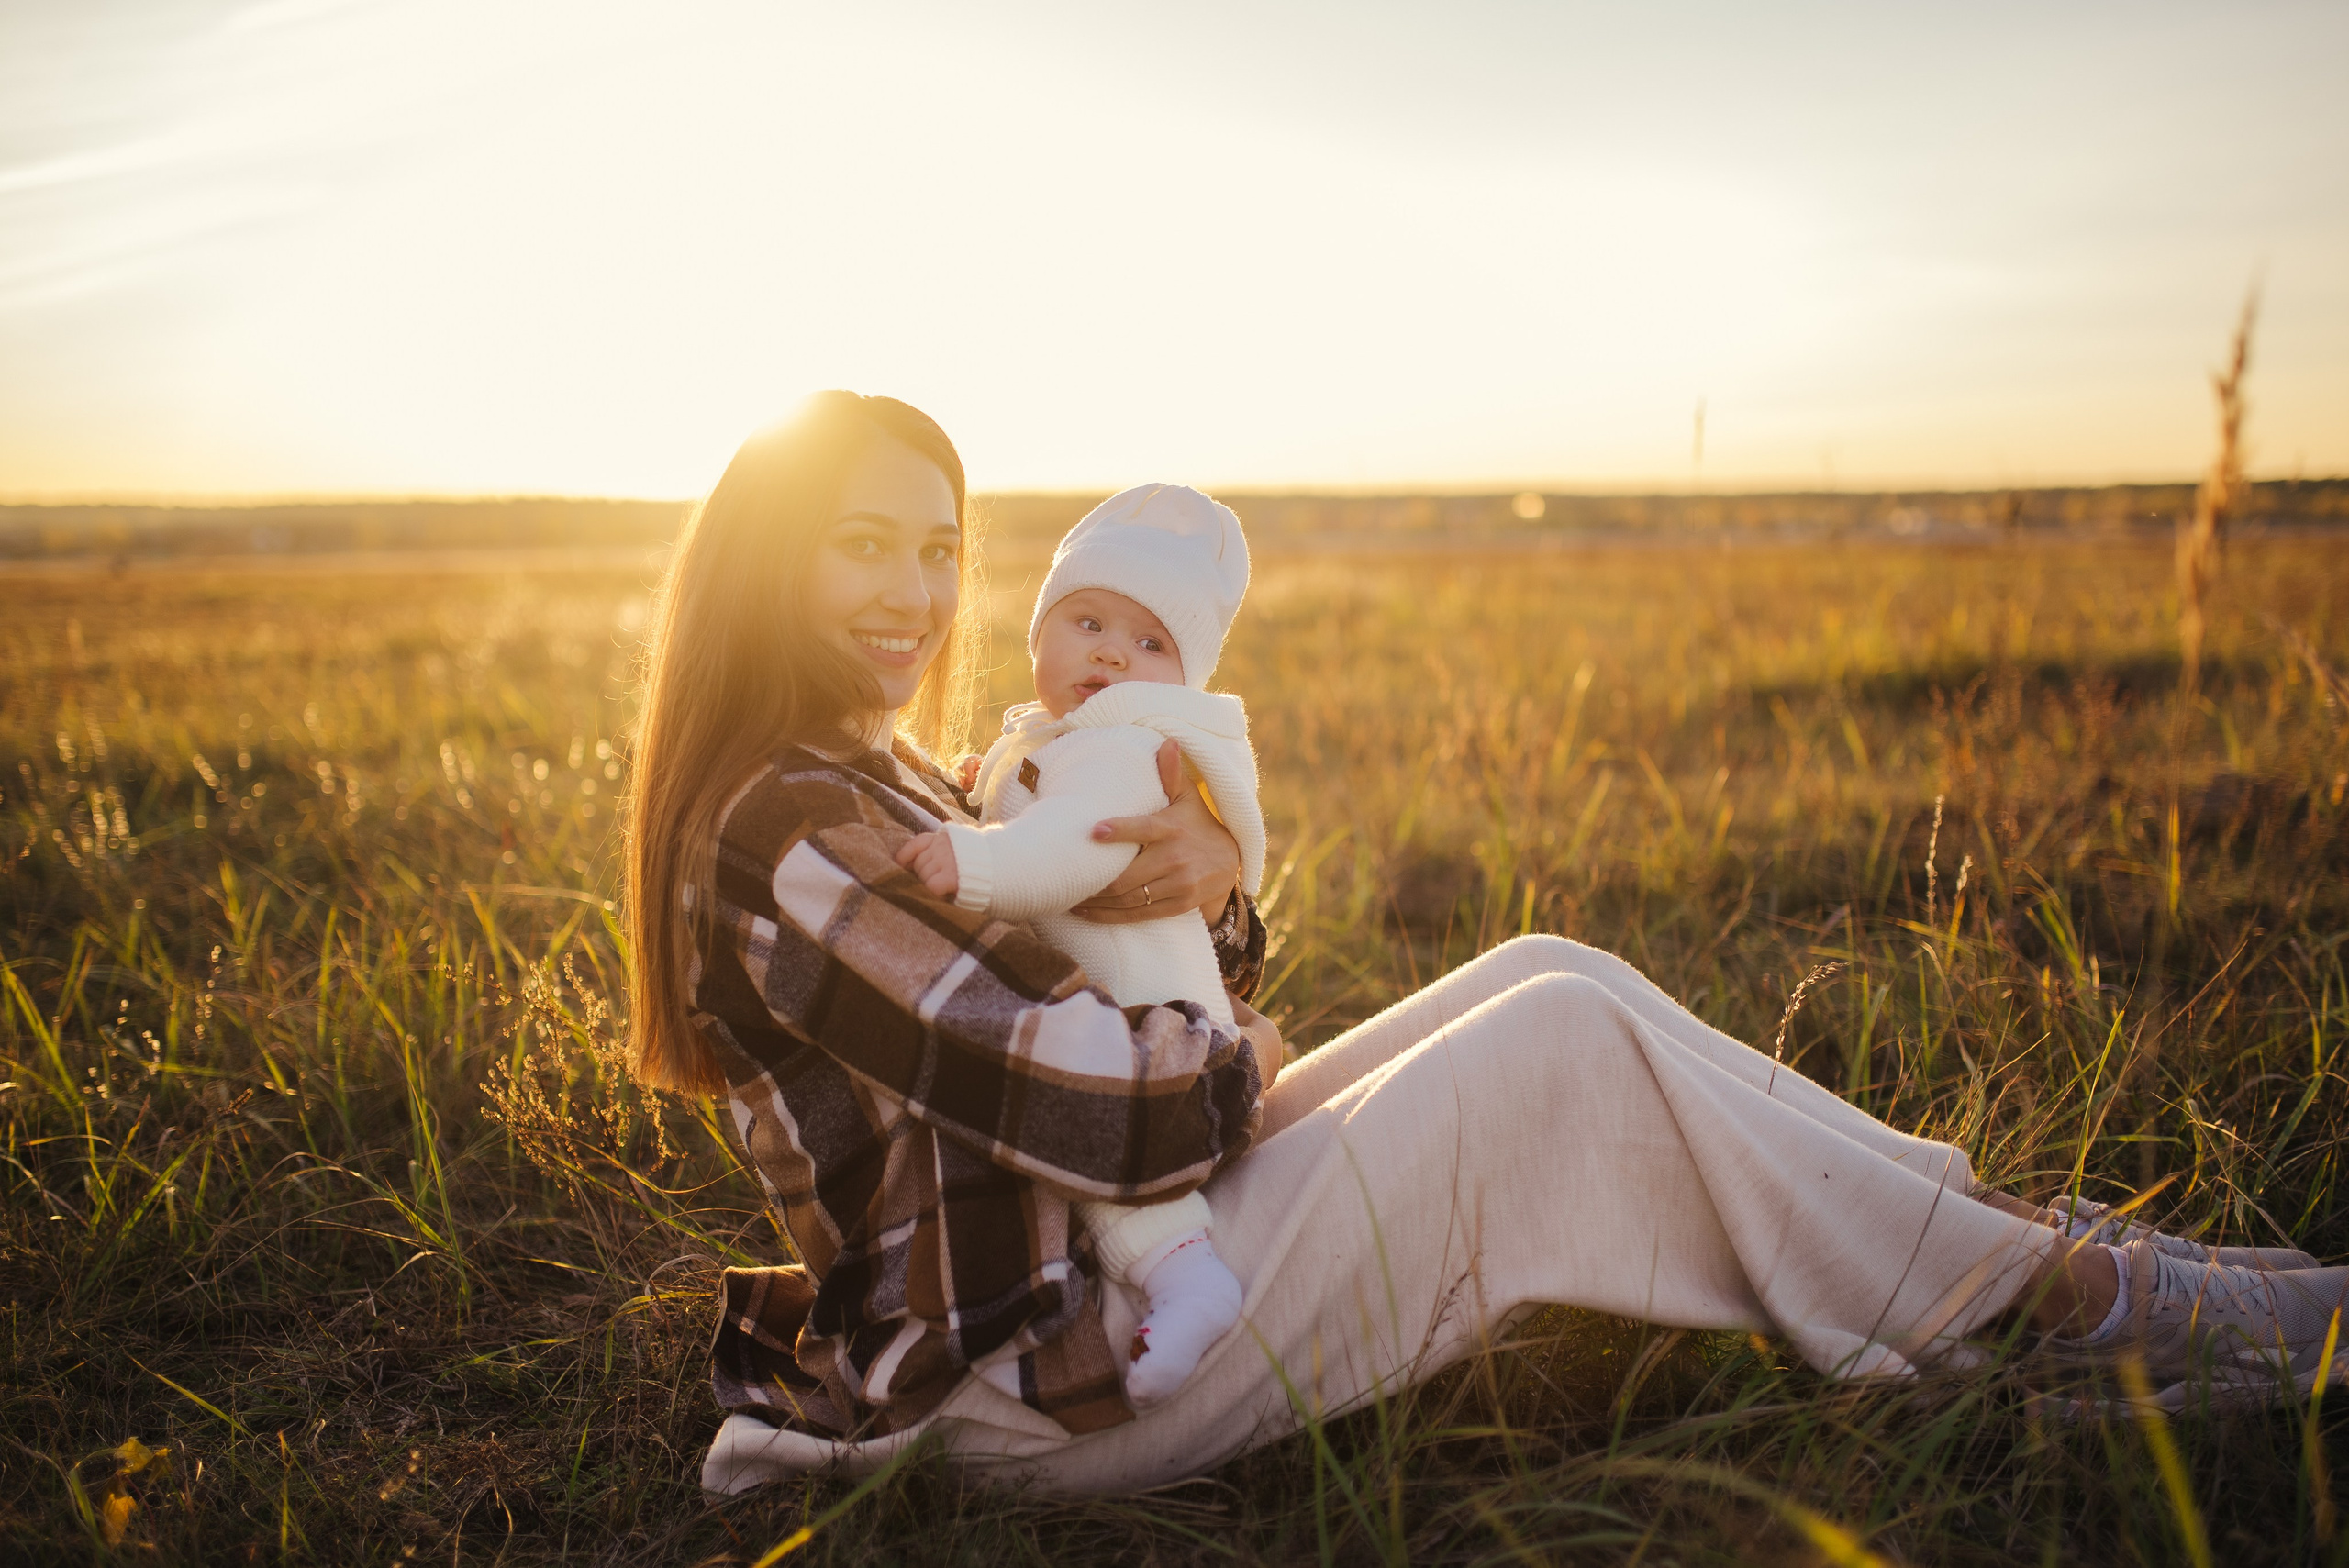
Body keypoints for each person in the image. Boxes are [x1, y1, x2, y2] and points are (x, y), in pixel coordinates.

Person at [623, 393, 2341, 1501]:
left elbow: (1122, 942)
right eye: (862, 542)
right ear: (766, 559)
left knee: (1545, 972)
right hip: (1039, 1366)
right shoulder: (790, 828)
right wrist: (1243, 1057)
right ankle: (2069, 1303)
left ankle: (2015, 1241)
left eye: (939, 547)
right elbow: (1120, 1110)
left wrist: (1211, 884)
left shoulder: (891, 765)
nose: (915, 593)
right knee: (1554, 1063)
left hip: (1116, 1255)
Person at [896, 483, 1266, 1407]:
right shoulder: (1052, 734)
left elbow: (1072, 847)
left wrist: (974, 859)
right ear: (1039, 632)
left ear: (1182, 678)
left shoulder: (1118, 746)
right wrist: (988, 792)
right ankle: (1174, 1272)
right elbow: (1035, 791)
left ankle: (1189, 1277)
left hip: (1150, 1020)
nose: (1110, 650)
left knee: (1115, 1159)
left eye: (1150, 643)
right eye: (1088, 619)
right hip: (1126, 1012)